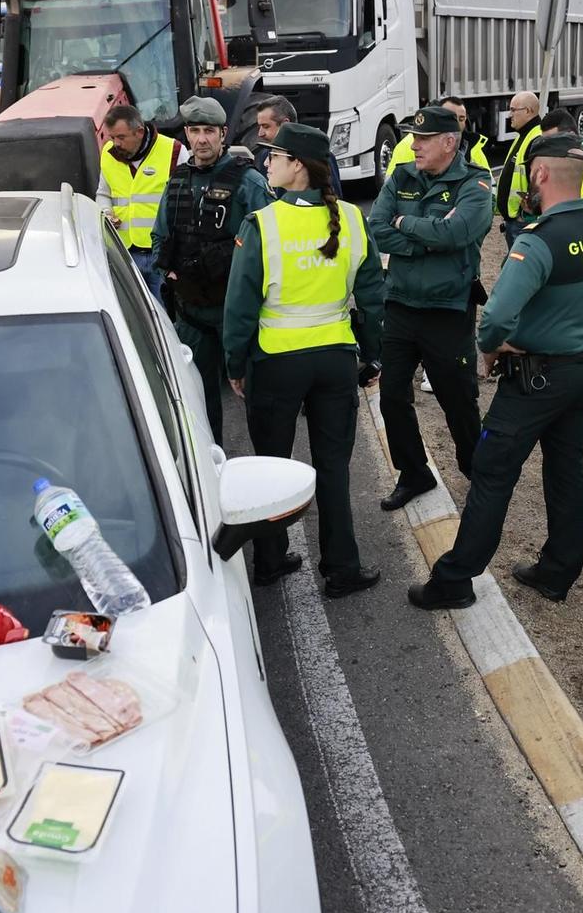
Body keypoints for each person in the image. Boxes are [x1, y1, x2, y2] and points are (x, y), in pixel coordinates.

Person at [407, 134, 583, 610]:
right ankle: (557, 572)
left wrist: (489, 347)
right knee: (566, 472)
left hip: (535, 379)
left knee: (492, 472)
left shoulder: (538, 239)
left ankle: (455, 579)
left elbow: (497, 316)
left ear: (540, 174)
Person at [223, 122, 384, 598]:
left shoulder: (264, 224)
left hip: (276, 363)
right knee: (334, 467)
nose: (266, 162)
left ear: (297, 166)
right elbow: (374, 297)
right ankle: (341, 568)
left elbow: (240, 307)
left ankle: (270, 562)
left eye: (273, 156)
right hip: (335, 361)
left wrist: (235, 365)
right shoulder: (352, 219)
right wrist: (372, 356)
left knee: (272, 465)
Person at [368, 103, 493, 510]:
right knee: (392, 395)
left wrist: (406, 226)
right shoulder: (402, 176)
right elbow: (379, 230)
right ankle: (414, 473)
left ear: (449, 142)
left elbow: (457, 232)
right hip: (401, 304)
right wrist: (428, 237)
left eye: (422, 139)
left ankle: (477, 469)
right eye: (413, 137)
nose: (414, 145)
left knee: (456, 398)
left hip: (447, 309)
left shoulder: (473, 185)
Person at [155, 96, 272, 429]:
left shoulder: (248, 182)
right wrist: (171, 270)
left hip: (237, 313)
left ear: (223, 134)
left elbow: (269, 242)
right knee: (197, 408)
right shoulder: (177, 180)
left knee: (257, 401)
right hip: (191, 314)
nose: (201, 139)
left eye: (209, 130)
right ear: (187, 135)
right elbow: (159, 236)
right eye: (194, 130)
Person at [99, 103, 181, 299]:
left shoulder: (174, 151)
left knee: (164, 316)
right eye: (112, 137)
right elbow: (103, 193)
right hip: (125, 253)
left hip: (160, 256)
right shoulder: (109, 153)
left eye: (121, 137)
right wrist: (106, 212)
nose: (115, 143)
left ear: (139, 132)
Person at [387, 96, 491, 173]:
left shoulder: (471, 146)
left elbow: (489, 187)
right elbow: (391, 189)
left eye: (461, 118)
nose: (457, 123)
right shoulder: (407, 146)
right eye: (451, 118)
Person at [493, 91, 544, 245]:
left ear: (528, 111)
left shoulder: (536, 139)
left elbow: (541, 182)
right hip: (516, 220)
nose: (510, 115)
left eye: (513, 110)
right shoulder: (524, 135)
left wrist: (529, 213)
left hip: (522, 221)